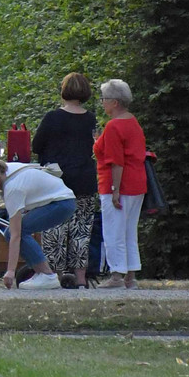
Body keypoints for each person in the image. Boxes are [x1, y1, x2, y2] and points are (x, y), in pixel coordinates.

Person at [31, 72, 97, 287]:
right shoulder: (91, 119)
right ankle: (80, 278)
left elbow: (36, 146)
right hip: (85, 179)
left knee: (55, 229)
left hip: (57, 181)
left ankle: (55, 275)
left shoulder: (52, 118)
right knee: (82, 230)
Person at [0, 158, 72, 290]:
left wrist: (11, 271)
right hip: (61, 200)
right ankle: (42, 273)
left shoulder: (12, 188)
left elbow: (16, 235)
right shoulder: (4, 169)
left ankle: (47, 275)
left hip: (62, 203)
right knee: (10, 232)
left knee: (15, 232)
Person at [93, 78, 146, 289]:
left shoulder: (114, 125)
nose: (102, 103)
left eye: (105, 99)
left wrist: (115, 190)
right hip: (137, 183)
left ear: (115, 102)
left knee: (114, 230)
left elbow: (116, 161)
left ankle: (116, 275)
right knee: (129, 231)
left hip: (118, 184)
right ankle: (130, 276)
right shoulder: (132, 121)